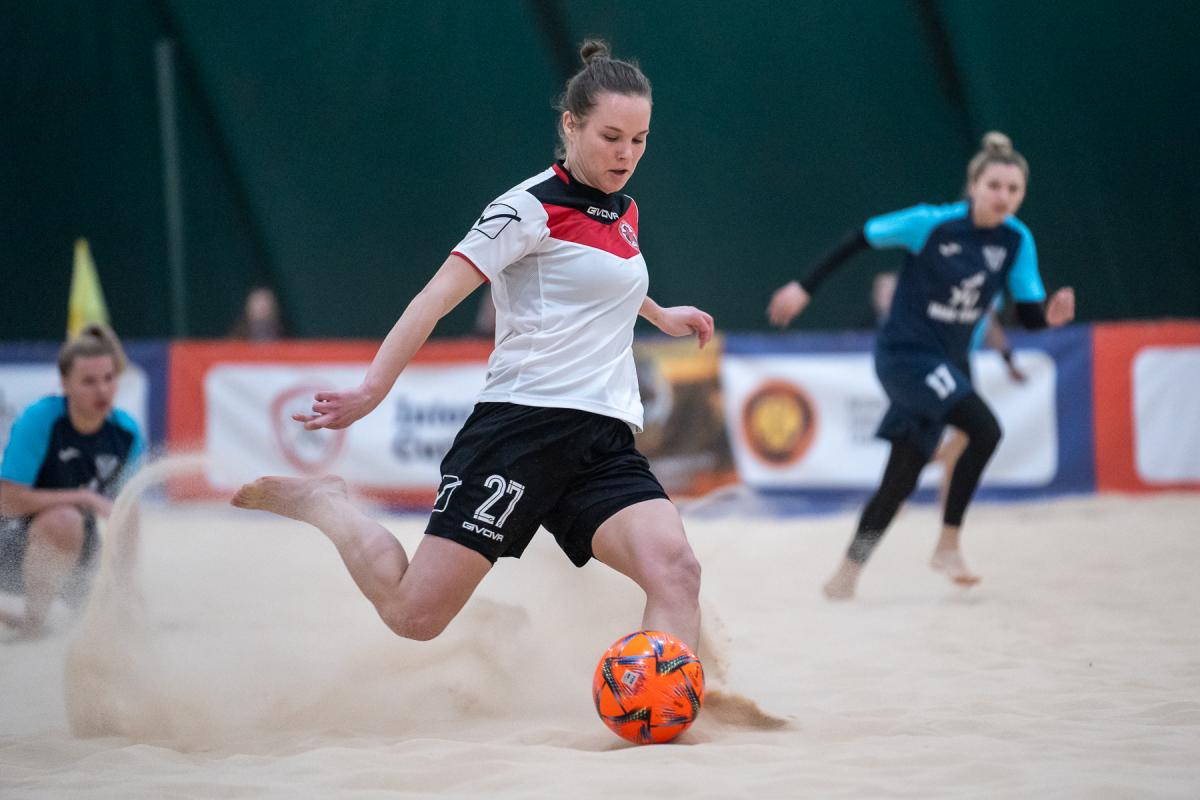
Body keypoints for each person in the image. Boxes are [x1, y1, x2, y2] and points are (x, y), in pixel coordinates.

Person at [232, 40, 714, 649]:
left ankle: (670, 698)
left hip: (602, 439)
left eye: (639, 140)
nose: (627, 154)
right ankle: (327, 503)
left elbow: (596, 281)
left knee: (677, 572)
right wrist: (372, 389)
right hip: (521, 430)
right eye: (611, 137)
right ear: (571, 124)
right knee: (414, 616)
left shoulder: (624, 212)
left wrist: (660, 313)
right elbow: (434, 298)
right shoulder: (525, 208)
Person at [766, 132, 1075, 600]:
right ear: (973, 186)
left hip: (951, 363)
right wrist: (804, 287)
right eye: (994, 186)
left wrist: (1050, 317)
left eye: (1014, 189)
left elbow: (1030, 317)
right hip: (905, 355)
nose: (1003, 196)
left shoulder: (1017, 240)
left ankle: (845, 575)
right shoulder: (931, 224)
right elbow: (861, 237)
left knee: (900, 479)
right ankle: (948, 545)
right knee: (985, 429)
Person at [0, 324, 145, 634]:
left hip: (73, 554)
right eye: (89, 381)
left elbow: (127, 515)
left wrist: (126, 584)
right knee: (65, 518)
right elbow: (7, 501)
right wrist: (83, 497)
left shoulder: (127, 434)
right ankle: (33, 624)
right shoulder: (40, 419)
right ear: (65, 384)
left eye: (108, 379)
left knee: (113, 616)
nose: (102, 390)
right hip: (10, 548)